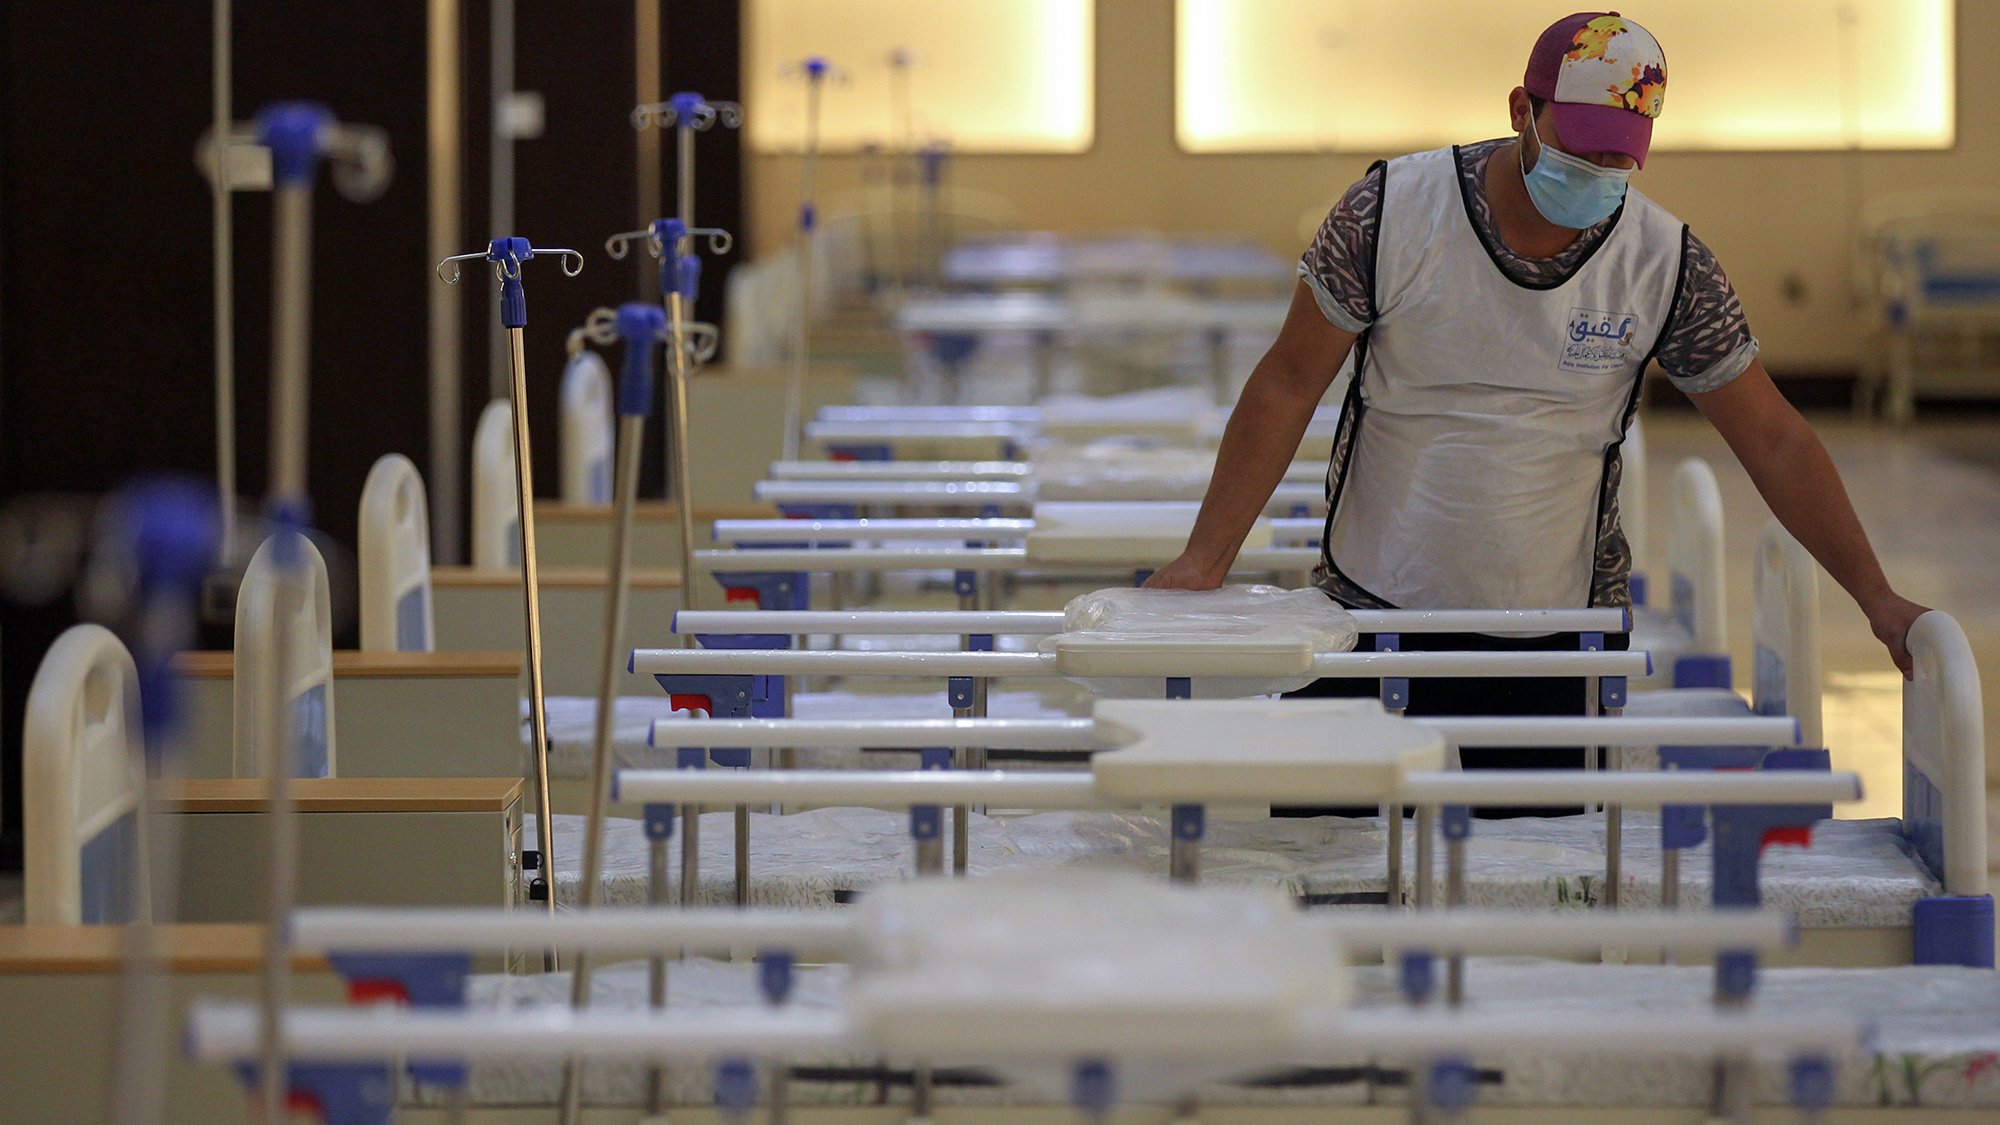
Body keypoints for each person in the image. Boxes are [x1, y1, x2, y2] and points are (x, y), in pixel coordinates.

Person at [1145, 12, 1927, 807]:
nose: (1596, 170)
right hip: (1369, 617)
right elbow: (1286, 382)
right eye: (1579, 148)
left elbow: (1777, 441)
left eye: (1619, 157)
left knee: (1529, 897)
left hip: (1553, 641)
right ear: (1523, 109)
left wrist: (1877, 596)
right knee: (1331, 873)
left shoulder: (1664, 264)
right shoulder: (1392, 213)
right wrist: (1206, 560)